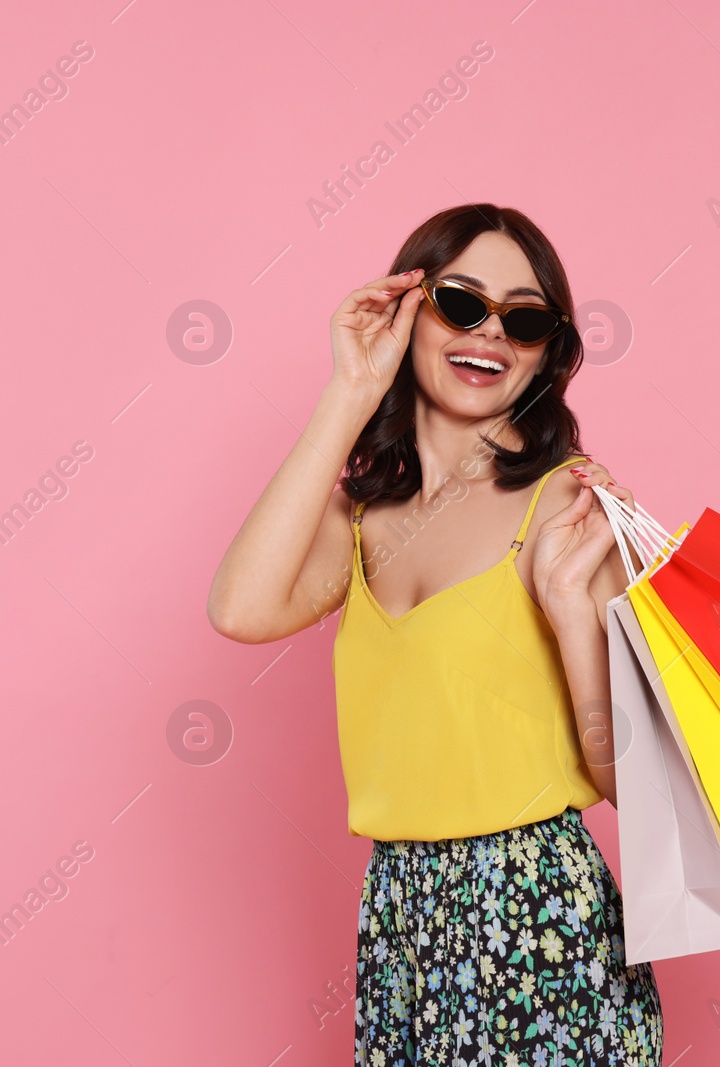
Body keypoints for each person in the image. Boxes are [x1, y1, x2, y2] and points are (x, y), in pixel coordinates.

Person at [208, 203, 664, 1065]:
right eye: (462, 304)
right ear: (408, 309)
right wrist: (350, 389)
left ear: (546, 354)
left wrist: (572, 610)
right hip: (402, 914)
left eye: (523, 319)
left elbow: (631, 784)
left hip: (538, 915)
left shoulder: (569, 506)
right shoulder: (362, 514)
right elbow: (239, 609)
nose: (489, 332)